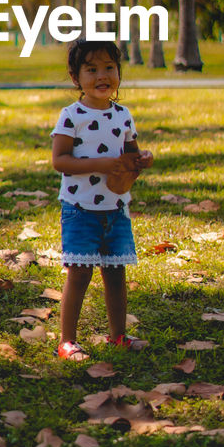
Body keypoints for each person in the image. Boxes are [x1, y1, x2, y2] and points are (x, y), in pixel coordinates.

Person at [50, 37, 153, 361]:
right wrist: (102, 165)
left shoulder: (123, 115)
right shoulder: (72, 115)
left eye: (109, 67)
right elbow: (60, 160)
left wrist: (142, 158)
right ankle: (67, 341)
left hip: (116, 209)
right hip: (81, 209)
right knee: (79, 272)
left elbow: (130, 153)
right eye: (91, 69)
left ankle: (118, 334)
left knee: (115, 273)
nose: (101, 76)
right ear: (75, 77)